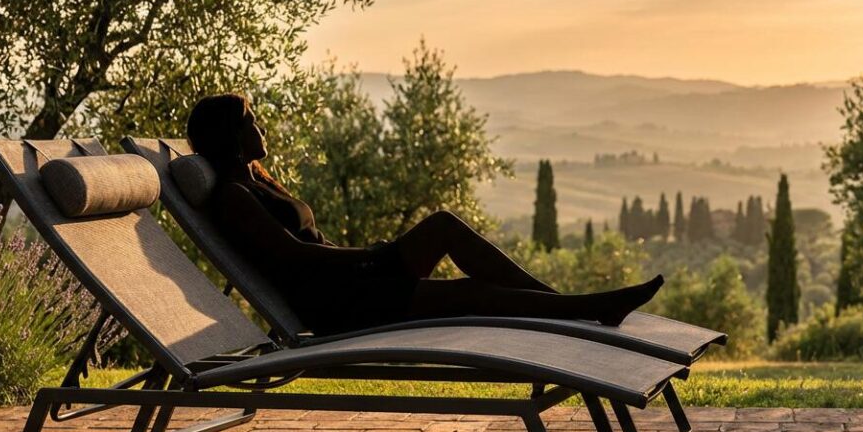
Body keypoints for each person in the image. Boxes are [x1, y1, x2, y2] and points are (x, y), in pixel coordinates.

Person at [187, 93, 664, 335]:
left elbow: (307, 247)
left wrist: (367, 259)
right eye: (250, 119)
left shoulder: (256, 181)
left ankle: (570, 309)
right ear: (230, 135)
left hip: (349, 284)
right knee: (464, 275)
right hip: (336, 302)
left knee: (445, 232)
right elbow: (294, 257)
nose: (260, 124)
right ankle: (578, 310)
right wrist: (370, 256)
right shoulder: (233, 196)